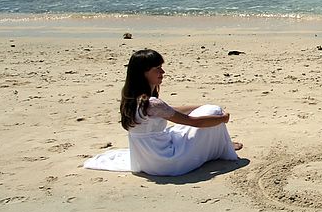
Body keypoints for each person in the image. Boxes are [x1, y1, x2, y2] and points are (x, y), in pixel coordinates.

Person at [84, 49, 241, 176]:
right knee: (214, 110)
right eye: (157, 68)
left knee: (192, 119)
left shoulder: (131, 99)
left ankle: (222, 143)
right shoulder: (153, 103)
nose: (162, 71)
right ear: (144, 73)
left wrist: (200, 106)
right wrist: (223, 118)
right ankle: (223, 145)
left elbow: (170, 111)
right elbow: (195, 122)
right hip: (168, 162)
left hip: (145, 160)